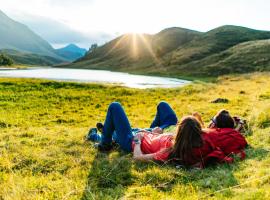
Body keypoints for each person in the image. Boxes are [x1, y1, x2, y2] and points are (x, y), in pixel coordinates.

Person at [89, 102, 248, 168]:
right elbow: (225, 135)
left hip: (133, 140)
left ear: (179, 131)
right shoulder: (199, 140)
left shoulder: (168, 152)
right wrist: (157, 131)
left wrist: (138, 141)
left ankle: (102, 140)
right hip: (151, 133)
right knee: (163, 105)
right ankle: (108, 132)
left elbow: (137, 158)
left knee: (115, 107)